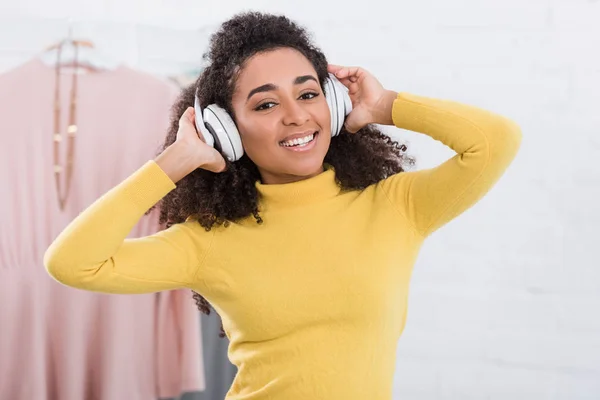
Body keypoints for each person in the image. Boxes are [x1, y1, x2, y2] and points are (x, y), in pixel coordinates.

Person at [44, 11, 522, 400]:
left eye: (309, 94)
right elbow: (72, 263)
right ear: (226, 132)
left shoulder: (396, 206)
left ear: (333, 106)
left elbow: (496, 142)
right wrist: (174, 163)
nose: (296, 116)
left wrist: (387, 105)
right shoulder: (208, 241)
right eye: (265, 105)